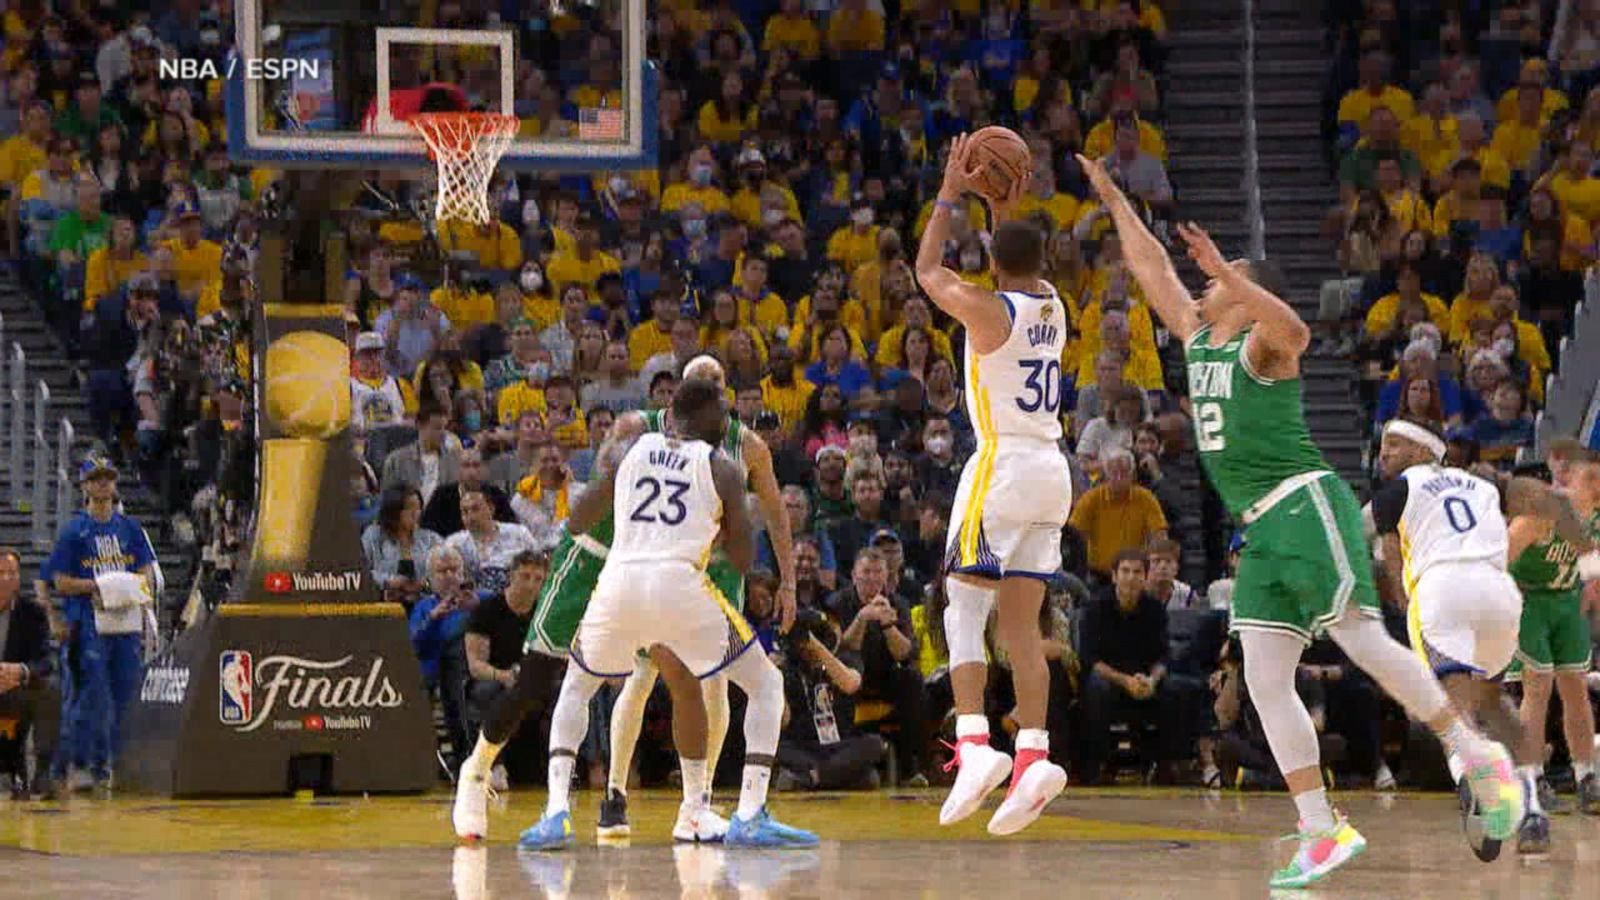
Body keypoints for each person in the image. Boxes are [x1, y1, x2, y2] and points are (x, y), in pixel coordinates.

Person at [1081, 153, 1519, 889]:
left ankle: (1469, 748)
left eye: (1224, 276)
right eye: (1216, 276)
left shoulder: (1262, 344)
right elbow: (1153, 265)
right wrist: (1110, 195)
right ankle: (1321, 827)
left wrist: (1240, 278)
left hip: (1304, 505)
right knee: (1262, 675)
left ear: (1247, 295)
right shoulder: (1198, 336)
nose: (1209, 280)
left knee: (1357, 633)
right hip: (1260, 533)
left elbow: (1298, 332)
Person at [454, 376, 815, 850]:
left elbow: (580, 513)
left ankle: (648, 810)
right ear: (703, 413)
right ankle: (746, 811)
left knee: (603, 682)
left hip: (621, 578)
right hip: (641, 573)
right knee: (761, 684)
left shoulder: (641, 445)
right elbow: (745, 554)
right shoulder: (716, 458)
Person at [916, 134, 1073, 835]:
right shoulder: (1052, 305)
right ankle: (1035, 755)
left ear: (991, 263)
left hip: (1002, 466)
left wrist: (951, 190)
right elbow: (1014, 250)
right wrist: (1002, 202)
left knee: (960, 607)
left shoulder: (987, 312)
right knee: (1021, 626)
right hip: (1053, 474)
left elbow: (927, 272)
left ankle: (977, 745)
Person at [1370, 419, 1541, 859]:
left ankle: (1473, 781)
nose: (1383, 452)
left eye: (1394, 444)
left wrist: (1406, 601)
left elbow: (1390, 554)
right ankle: (1532, 802)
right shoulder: (1484, 486)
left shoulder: (1396, 492)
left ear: (1424, 450)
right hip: (1499, 594)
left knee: (1449, 706)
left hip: (1442, 588)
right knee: (1491, 702)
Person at [44, 457, 155, 791]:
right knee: (93, 694)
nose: (104, 485)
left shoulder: (130, 529)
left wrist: (131, 586)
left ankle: (118, 762)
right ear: (85, 486)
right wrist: (98, 587)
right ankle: (85, 763)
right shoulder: (74, 531)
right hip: (88, 621)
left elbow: (147, 569)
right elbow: (60, 580)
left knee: (125, 691)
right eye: (96, 479)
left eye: (108, 478)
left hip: (125, 622)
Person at [1505, 455, 1600, 819]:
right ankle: (1532, 777)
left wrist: (1590, 586)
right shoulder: (1539, 515)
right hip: (1531, 603)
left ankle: (1586, 775)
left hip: (1567, 603)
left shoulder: (1592, 517)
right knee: (1537, 688)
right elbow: (1499, 561)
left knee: (1576, 689)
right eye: (1588, 479)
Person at [0, 549, 58, 799]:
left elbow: (47, 660)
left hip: (13, 692)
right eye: (0, 573)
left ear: (18, 578)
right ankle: (13, 769)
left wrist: (20, 671)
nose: (5, 579)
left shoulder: (32, 613)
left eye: (11, 573)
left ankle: (43, 770)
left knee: (50, 689)